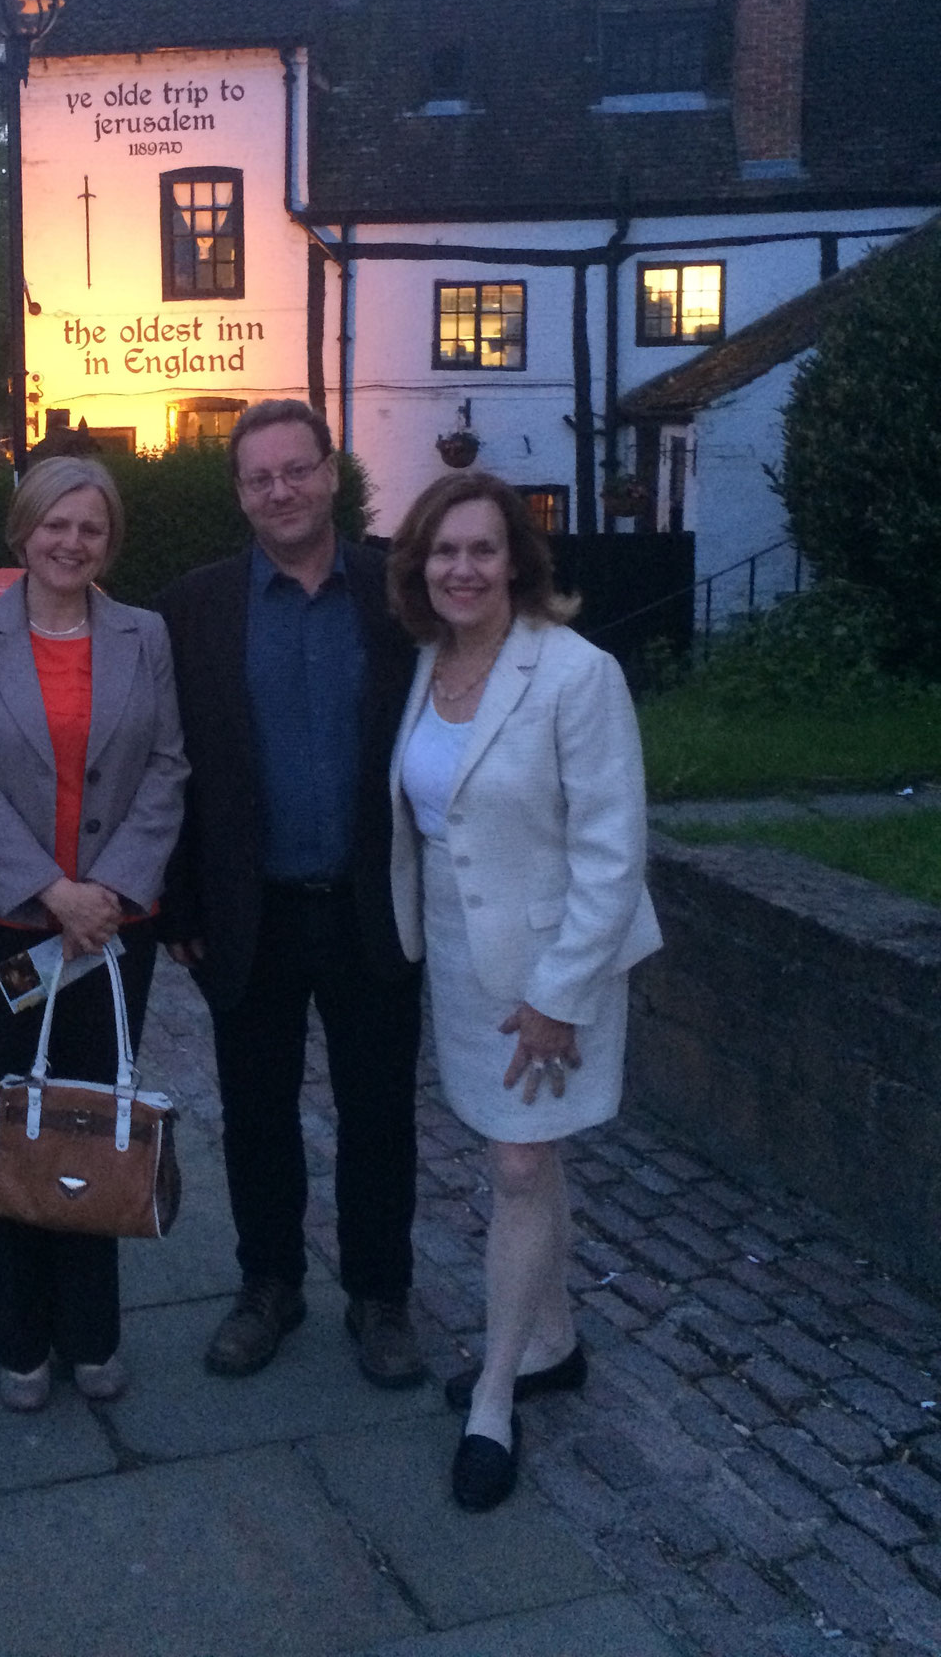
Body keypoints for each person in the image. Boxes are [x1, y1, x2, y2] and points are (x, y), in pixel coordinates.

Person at [386, 471, 660, 1512]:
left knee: (513, 1161)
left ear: (517, 561)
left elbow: (612, 848)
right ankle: (554, 1339)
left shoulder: (575, 673)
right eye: (443, 552)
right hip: (459, 965)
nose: (462, 568)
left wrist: (559, 993)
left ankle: (498, 1393)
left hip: (552, 968)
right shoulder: (429, 663)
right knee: (521, 1164)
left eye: (482, 550)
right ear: (420, 567)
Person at [157, 400, 426, 1390]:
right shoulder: (197, 605)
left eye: (295, 469)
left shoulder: (399, 589)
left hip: (371, 899)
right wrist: (178, 902)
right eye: (259, 476)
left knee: (380, 1110)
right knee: (256, 1109)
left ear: (330, 474)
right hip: (250, 907)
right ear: (240, 492)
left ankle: (379, 1292)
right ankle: (268, 1282)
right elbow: (170, 763)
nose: (280, 489)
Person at [0, 456, 186, 1410]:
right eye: (56, 526)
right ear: (21, 532)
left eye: (91, 528)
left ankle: (92, 1332)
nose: (72, 543)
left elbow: (168, 768)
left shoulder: (146, 635)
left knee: (95, 1117)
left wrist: (107, 890)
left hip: (114, 931)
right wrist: (49, 890)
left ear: (108, 540)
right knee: (15, 1125)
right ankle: (19, 1338)